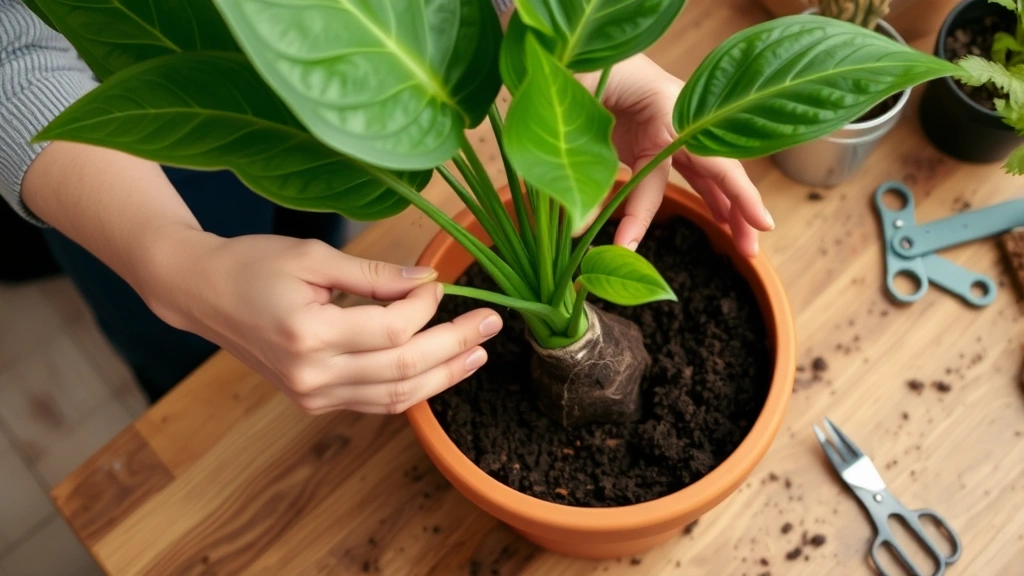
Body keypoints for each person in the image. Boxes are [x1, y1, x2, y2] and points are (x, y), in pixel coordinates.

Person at [0, 0, 774, 414]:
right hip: (119, 150)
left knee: (322, 219)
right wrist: (168, 259)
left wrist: (587, 55)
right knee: (199, 373)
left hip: (366, 94)